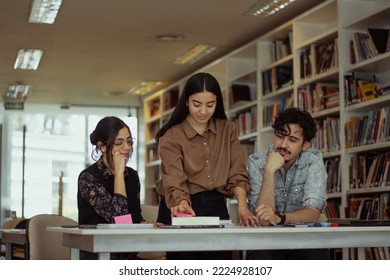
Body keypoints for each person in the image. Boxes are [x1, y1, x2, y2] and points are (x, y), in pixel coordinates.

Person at [155, 72, 258, 260]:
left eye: (210, 105)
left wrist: (243, 206)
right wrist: (183, 204)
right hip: (181, 206)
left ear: (217, 102)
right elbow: (174, 179)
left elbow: (237, 171)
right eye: (197, 104)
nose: (203, 111)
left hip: (215, 205)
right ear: (186, 101)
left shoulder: (228, 129)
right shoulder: (171, 136)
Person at [246, 107, 329, 260]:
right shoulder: (256, 162)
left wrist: (280, 218)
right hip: (268, 240)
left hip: (306, 239)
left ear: (305, 145)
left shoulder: (313, 160)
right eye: (280, 136)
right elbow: (264, 220)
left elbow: (313, 213)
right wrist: (270, 171)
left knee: (315, 255)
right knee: (260, 255)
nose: (283, 145)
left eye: (292, 140)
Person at [77, 116, 144, 259]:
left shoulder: (132, 176)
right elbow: (120, 220)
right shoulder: (88, 178)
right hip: (98, 255)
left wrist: (146, 224)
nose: (127, 147)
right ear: (102, 146)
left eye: (129, 142)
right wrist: (119, 174)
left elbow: (134, 218)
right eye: (119, 143)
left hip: (127, 254)